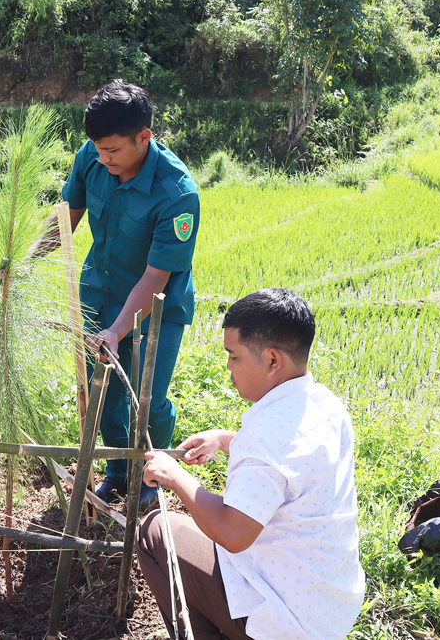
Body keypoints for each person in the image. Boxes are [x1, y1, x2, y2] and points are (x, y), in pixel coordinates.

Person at [136, 288, 365, 640]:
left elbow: (233, 533)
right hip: (329, 605)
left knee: (154, 529)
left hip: (284, 620)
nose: (228, 366)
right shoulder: (325, 405)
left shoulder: (267, 434)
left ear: (273, 360)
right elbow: (287, 460)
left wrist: (176, 477)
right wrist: (224, 439)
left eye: (234, 356)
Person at [59, 79, 200, 506]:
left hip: (156, 309)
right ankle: (119, 470)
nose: (103, 159)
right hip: (98, 295)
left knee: (147, 400)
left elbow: (155, 277)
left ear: (144, 136)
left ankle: (152, 478)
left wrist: (118, 330)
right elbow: (66, 219)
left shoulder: (176, 193)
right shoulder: (93, 156)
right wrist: (22, 264)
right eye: (98, 149)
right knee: (102, 395)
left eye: (113, 151)